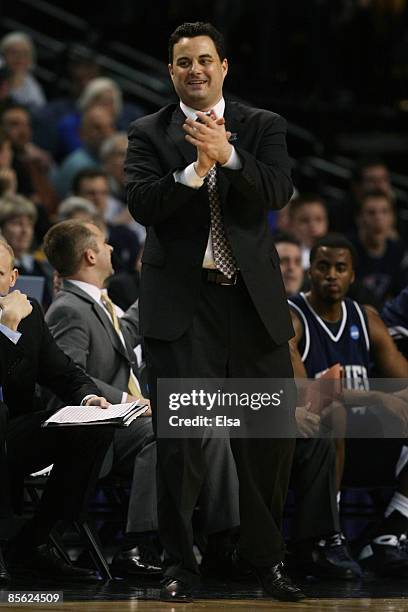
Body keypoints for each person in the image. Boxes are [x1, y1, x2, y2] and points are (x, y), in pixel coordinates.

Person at [125, 21, 303, 602]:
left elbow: (277, 191)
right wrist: (194, 171)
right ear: (170, 72)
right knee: (182, 442)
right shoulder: (148, 132)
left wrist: (228, 157)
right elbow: (143, 204)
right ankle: (180, 563)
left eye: (205, 60)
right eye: (183, 62)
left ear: (224, 66)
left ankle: (264, 561)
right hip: (183, 305)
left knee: (267, 437)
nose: (195, 70)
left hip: (251, 304)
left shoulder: (261, 126)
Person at [43, 219, 240, 578]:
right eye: (104, 243)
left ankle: (222, 541)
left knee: (209, 423)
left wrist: (166, 279)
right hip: (93, 429)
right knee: (163, 430)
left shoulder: (99, 304)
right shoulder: (68, 309)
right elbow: (67, 377)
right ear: (89, 255)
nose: (112, 249)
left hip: (124, 422)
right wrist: (127, 401)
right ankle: (138, 543)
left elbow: (129, 327)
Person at [288, 233, 408, 577]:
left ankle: (395, 524)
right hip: (316, 443)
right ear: (311, 271)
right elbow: (305, 392)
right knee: (332, 412)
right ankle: (328, 534)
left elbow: (401, 376)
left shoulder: (366, 318)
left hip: (367, 443)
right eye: (324, 267)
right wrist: (375, 396)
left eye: (341, 268)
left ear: (353, 275)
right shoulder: (293, 317)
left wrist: (395, 398)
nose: (331, 275)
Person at [0, 237, 112, 583]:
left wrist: (89, 398)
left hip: (15, 435)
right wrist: (7, 329)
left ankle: (34, 540)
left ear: (12, 279)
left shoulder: (30, 313)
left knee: (94, 425)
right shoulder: (16, 319)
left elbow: (62, 372)